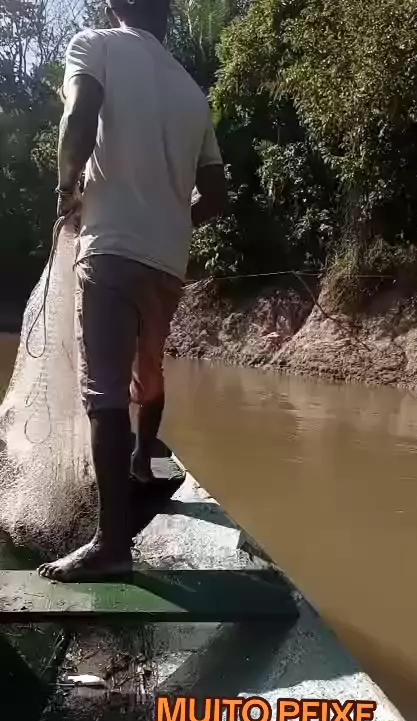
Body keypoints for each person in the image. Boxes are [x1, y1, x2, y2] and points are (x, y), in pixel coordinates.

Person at [38, 0, 228, 581]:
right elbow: (217, 195)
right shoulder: (193, 93)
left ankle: (111, 543)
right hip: (167, 263)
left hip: (112, 247)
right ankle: (142, 461)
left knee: (105, 393)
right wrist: (171, 221)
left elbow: (79, 118)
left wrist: (67, 190)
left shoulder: (94, 45)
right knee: (149, 370)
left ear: (116, 6)